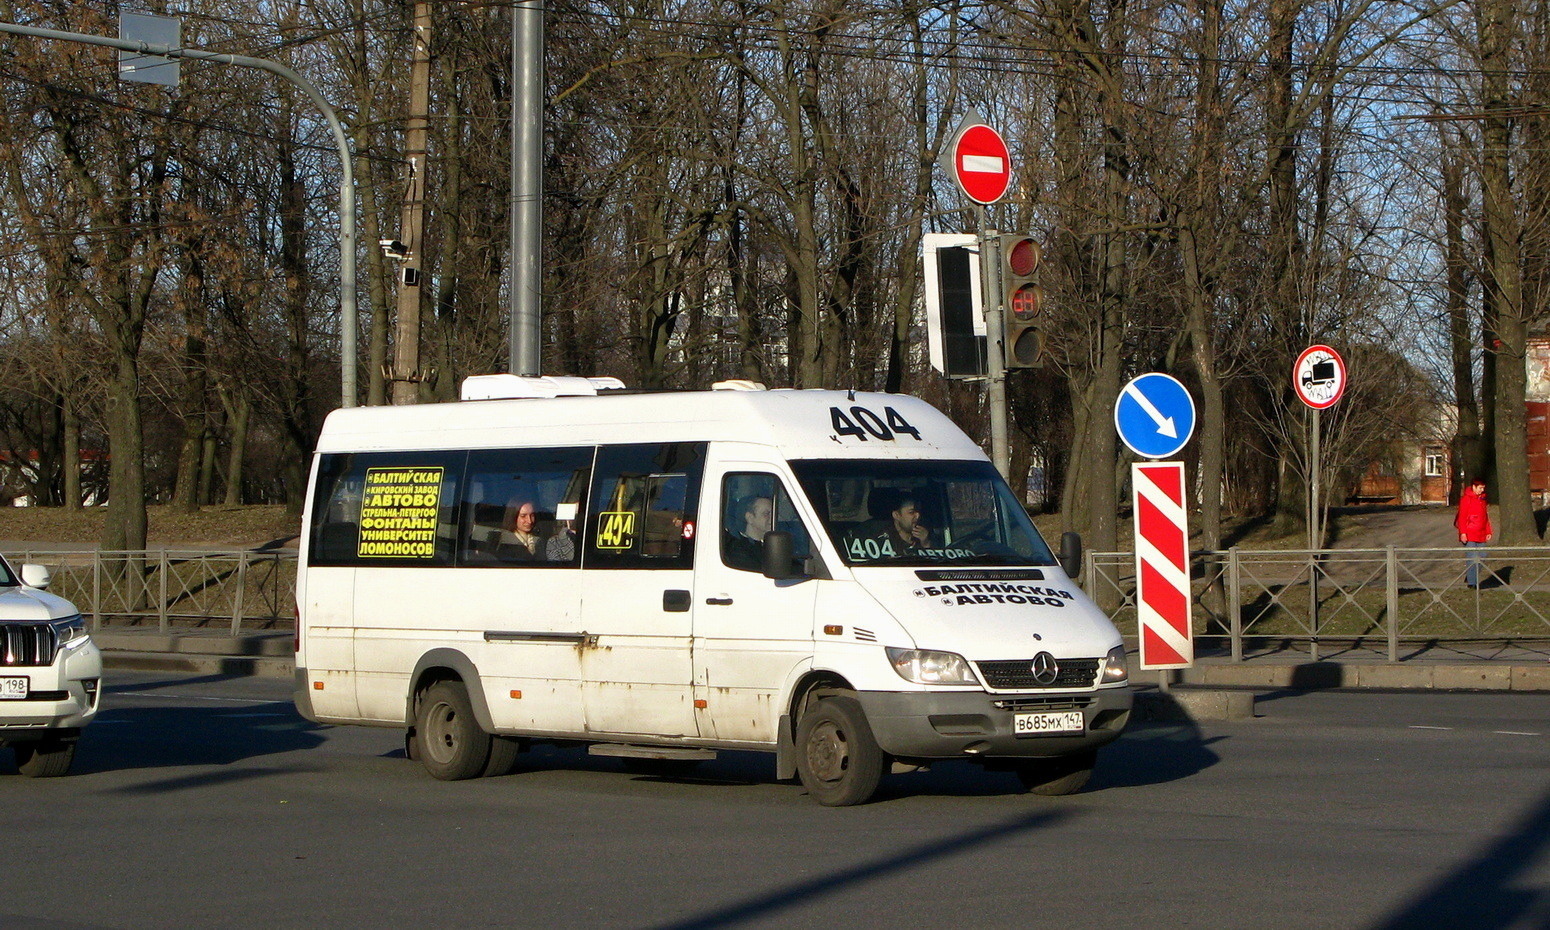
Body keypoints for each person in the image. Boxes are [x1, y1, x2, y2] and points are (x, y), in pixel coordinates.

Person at [1455, 476, 1493, 588]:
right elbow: (1462, 517)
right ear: (1474, 487)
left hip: (1481, 533)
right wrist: (1463, 533)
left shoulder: (1482, 499)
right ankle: (1472, 583)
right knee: (1471, 557)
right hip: (1469, 533)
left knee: (1483, 555)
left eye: (1483, 488)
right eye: (1480, 488)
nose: (1482, 490)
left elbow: (1485, 517)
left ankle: (1470, 575)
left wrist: (1488, 531)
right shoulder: (1466, 499)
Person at [724, 495, 773, 571]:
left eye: (774, 514)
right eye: (766, 514)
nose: (772, 518)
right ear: (750, 518)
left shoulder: (773, 545)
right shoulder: (740, 552)